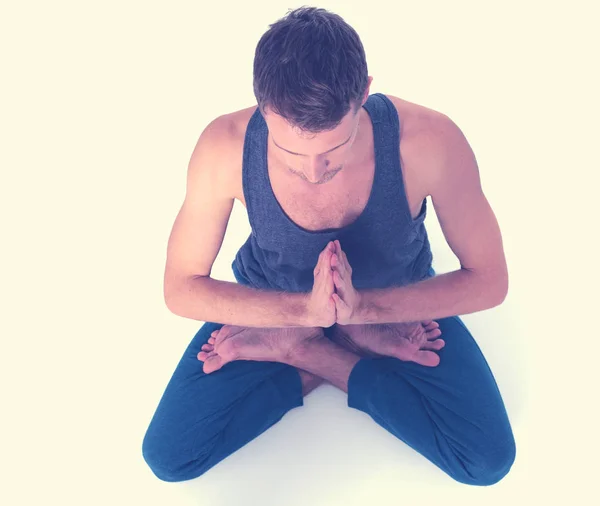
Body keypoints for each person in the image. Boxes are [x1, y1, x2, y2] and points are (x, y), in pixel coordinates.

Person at [142, 6, 516, 487]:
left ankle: (309, 354)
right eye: (292, 152)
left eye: (332, 150)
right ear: (261, 104)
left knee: (485, 461)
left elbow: (490, 279)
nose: (314, 171)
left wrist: (362, 312)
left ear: (363, 92)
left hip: (393, 303)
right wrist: (302, 314)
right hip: (276, 301)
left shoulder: (430, 141)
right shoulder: (223, 146)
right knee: (170, 455)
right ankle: (330, 347)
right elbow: (180, 287)